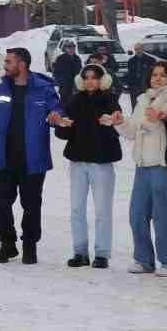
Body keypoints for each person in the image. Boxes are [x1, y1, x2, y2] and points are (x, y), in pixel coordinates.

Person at [0, 47, 64, 265]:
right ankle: (7, 245)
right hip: (6, 159)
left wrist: (56, 116)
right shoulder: (1, 89)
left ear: (22, 64)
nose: (5, 66)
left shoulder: (43, 89)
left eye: (9, 62)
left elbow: (57, 111)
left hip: (33, 160)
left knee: (31, 205)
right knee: (0, 202)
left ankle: (30, 245)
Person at [115, 60, 167, 276]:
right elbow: (133, 131)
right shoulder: (144, 99)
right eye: (154, 74)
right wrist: (120, 122)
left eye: (163, 75)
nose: (157, 78)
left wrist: (156, 119)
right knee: (136, 213)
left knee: (162, 214)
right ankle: (143, 259)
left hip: (163, 164)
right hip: (142, 164)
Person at [53, 65, 122, 269]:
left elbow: (117, 123)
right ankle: (80, 252)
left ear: (103, 80)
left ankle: (101, 254)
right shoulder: (75, 100)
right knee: (76, 209)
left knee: (102, 210)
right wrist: (62, 125)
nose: (90, 81)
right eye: (86, 77)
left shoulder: (110, 100)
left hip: (101, 163)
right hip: (78, 162)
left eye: (94, 77)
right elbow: (65, 131)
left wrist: (113, 122)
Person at [125, 42, 157, 112]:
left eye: (139, 49)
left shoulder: (151, 60)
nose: (138, 51)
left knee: (146, 105)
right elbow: (129, 74)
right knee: (135, 106)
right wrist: (128, 86)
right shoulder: (131, 61)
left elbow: (154, 74)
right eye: (136, 49)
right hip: (134, 88)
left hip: (146, 87)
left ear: (143, 49)